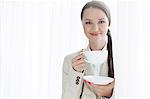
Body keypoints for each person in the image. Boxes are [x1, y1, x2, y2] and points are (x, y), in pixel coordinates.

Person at [61, 1, 115, 99]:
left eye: (101, 22)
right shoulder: (71, 60)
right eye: (88, 22)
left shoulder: (120, 60)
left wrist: (111, 92)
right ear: (82, 25)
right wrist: (76, 73)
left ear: (109, 23)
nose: (95, 28)